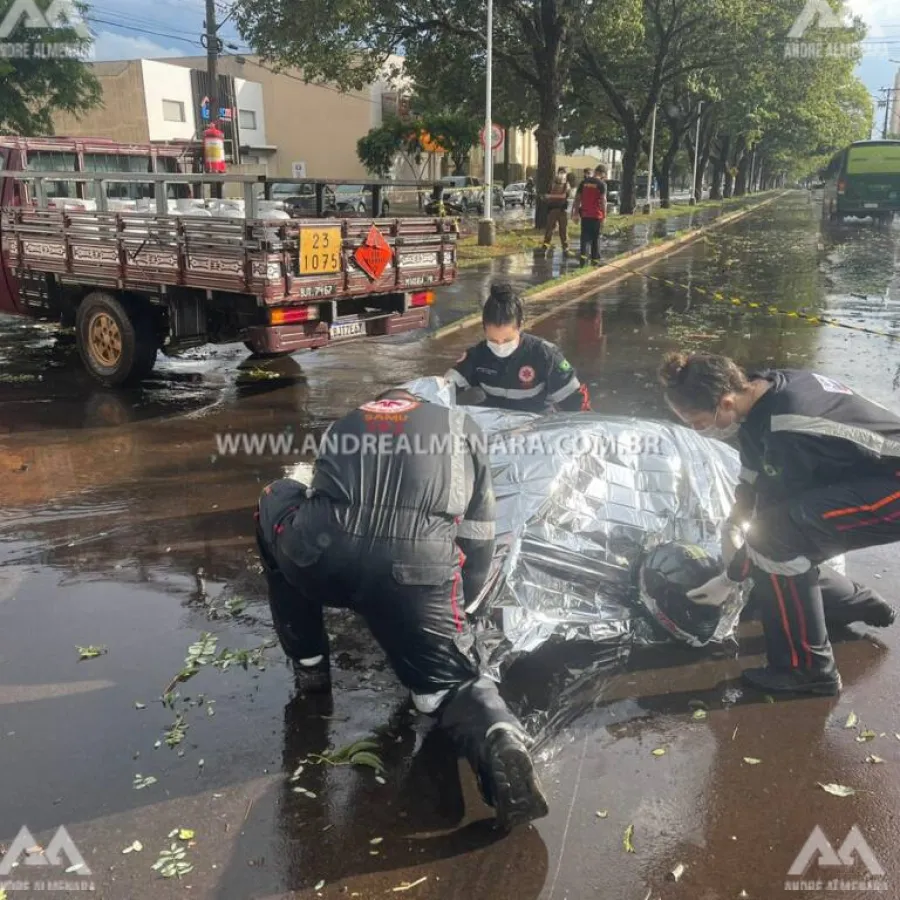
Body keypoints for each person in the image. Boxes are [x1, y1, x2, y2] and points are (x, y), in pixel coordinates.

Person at [255, 386, 549, 830]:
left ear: (383, 402)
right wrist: (454, 614)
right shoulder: (459, 427)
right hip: (414, 573)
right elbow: (478, 537)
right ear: (422, 404)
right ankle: (495, 735)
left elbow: (322, 494)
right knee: (446, 685)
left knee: (275, 497)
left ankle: (311, 664)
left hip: (319, 558)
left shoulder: (348, 420)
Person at [658, 353, 898, 696]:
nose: (699, 430)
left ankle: (809, 671)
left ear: (725, 401)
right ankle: (853, 602)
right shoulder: (761, 393)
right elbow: (753, 473)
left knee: (776, 539)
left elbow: (772, 518)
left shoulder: (787, 424)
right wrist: (734, 521)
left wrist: (730, 577)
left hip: (892, 486)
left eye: (698, 422)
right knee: (780, 542)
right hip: (871, 478)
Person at [444, 282, 591, 413]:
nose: (500, 346)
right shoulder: (478, 356)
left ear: (520, 325)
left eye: (507, 339)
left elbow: (576, 404)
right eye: (493, 340)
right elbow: (445, 386)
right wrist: (423, 397)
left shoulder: (544, 355)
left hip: (536, 434)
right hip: (496, 434)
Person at [573, 165, 607, 266]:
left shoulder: (584, 183)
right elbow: (603, 201)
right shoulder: (602, 184)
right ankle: (594, 261)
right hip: (596, 215)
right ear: (602, 174)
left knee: (584, 238)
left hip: (585, 214)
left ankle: (583, 261)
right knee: (595, 238)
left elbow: (577, 198)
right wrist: (604, 216)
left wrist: (575, 213)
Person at [541, 167, 572, 257]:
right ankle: (545, 247)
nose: (562, 174)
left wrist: (550, 196)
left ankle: (565, 249)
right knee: (549, 230)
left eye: (564, 172)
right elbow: (547, 195)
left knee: (563, 231)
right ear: (557, 173)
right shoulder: (552, 184)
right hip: (552, 210)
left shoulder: (567, 184)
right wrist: (546, 198)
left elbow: (563, 196)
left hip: (562, 210)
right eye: (561, 172)